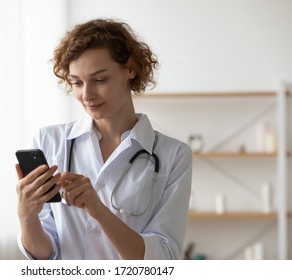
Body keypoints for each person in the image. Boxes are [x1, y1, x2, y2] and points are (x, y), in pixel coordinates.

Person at [15, 18, 192, 260]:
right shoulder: (49, 141)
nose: (87, 95)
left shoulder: (173, 155)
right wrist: (27, 216)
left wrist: (98, 210)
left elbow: (164, 257)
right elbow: (45, 254)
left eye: (100, 80)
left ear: (130, 69)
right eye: (77, 83)